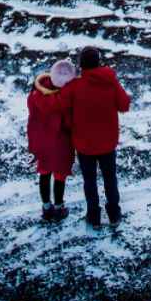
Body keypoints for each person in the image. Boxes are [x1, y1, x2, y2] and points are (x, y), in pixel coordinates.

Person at [59, 46, 131, 226]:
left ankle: (94, 216)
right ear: (99, 62)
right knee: (110, 178)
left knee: (89, 180)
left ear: (81, 65)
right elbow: (124, 105)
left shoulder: (74, 87)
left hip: (84, 144)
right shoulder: (110, 81)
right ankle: (114, 213)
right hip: (108, 142)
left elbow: (63, 109)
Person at [26, 58, 77, 222]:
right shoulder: (65, 101)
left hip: (41, 141)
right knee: (60, 175)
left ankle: (46, 207)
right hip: (61, 143)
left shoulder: (35, 94)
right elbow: (70, 123)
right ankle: (59, 207)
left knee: (44, 172)